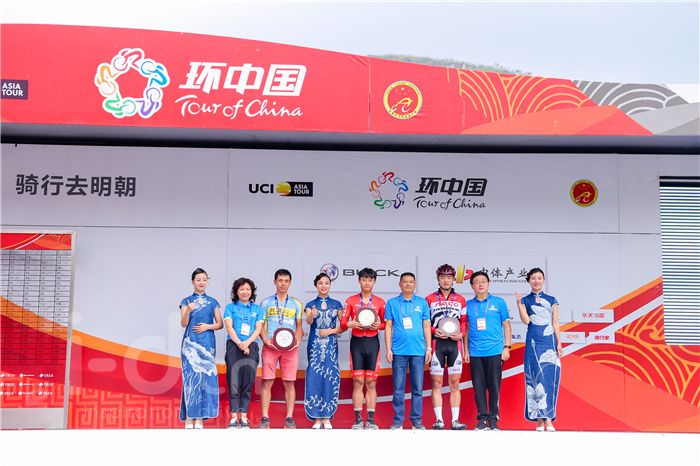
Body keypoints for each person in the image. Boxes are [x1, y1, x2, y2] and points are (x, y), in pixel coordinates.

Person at [515, 267, 562, 432]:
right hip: (533, 342)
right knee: (535, 378)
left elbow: (555, 322)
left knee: (549, 378)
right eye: (533, 278)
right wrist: (519, 304)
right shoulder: (525, 300)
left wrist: (559, 342)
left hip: (549, 341)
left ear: (543, 280)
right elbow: (526, 321)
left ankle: (548, 418)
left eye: (539, 278)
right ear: (529, 280)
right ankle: (539, 420)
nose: (536, 281)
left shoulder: (552, 300)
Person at [340, 267, 386, 430]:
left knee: (371, 382)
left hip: (372, 342)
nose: (367, 283)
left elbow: (385, 324)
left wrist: (378, 325)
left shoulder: (380, 302)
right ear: (359, 281)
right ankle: (358, 419)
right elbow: (343, 323)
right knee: (358, 381)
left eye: (370, 280)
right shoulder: (351, 300)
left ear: (374, 282)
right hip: (357, 343)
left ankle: (371, 420)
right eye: (364, 279)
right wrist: (350, 323)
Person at [385, 272, 431, 430]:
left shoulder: (422, 303)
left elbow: (426, 325)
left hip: (418, 351)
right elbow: (388, 326)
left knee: (417, 388)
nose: (408, 284)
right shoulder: (392, 303)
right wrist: (388, 349)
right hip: (398, 351)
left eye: (411, 282)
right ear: (400, 284)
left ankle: (416, 420)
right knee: (398, 388)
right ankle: (398, 421)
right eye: (405, 282)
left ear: (415, 284)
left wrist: (428, 348)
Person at [466, 271, 511, 431]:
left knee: (494, 387)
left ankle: (493, 419)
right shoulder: (468, 305)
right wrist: (466, 350)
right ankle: (482, 419)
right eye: (476, 282)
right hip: (475, 352)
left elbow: (506, 325)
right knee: (478, 387)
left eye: (483, 281)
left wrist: (507, 347)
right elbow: (466, 329)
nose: (480, 284)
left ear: (488, 283)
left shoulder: (499, 302)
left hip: (495, 351)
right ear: (472, 286)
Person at [258, 269, 304, 429]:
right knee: (267, 381)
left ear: (290, 283)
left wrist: (298, 340)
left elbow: (299, 326)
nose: (283, 284)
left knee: (289, 382)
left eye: (286, 281)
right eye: (280, 280)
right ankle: (265, 418)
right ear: (275, 282)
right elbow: (260, 325)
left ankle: (289, 418)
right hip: (270, 346)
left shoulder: (296, 303)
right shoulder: (265, 302)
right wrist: (265, 340)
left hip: (290, 348)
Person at [179, 268, 223, 429]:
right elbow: (183, 323)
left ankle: (200, 418)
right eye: (198, 279)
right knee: (190, 379)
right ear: (193, 282)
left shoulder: (213, 302)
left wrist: (207, 326)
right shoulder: (186, 301)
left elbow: (220, 324)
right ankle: (189, 416)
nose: (201, 282)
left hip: (207, 344)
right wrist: (188, 311)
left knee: (204, 380)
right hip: (190, 343)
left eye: (204, 279)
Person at [426, 264, 468, 430]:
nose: (445, 280)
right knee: (436, 383)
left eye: (449, 277)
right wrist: (434, 330)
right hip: (437, 342)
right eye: (442, 277)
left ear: (453, 279)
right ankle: (439, 420)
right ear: (438, 279)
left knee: (455, 383)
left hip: (454, 344)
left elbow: (463, 321)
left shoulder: (461, 299)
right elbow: (425, 323)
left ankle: (455, 420)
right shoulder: (429, 299)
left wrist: (461, 333)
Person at [223, 277, 264, 429]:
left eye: (248, 289)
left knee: (248, 381)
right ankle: (234, 417)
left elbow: (258, 329)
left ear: (252, 291)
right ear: (236, 291)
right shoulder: (230, 307)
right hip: (234, 346)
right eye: (241, 289)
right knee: (233, 381)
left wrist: (247, 343)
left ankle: (244, 416)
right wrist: (240, 344)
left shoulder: (257, 309)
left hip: (251, 346)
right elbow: (229, 327)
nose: (245, 292)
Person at [304, 273, 343, 429]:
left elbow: (343, 326)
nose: (324, 286)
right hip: (314, 346)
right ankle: (316, 418)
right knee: (314, 377)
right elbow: (308, 322)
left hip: (330, 346)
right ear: (316, 285)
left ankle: (327, 417)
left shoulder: (337, 304)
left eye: (327, 283)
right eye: (320, 283)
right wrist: (311, 315)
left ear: (330, 285)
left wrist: (331, 331)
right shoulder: (310, 304)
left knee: (330, 376)